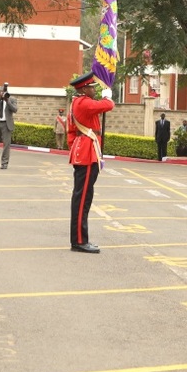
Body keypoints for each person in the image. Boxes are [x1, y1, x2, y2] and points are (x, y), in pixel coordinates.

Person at [67, 71, 114, 253]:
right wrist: (108, 97)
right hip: (86, 154)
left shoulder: (77, 102)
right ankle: (79, 240)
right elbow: (107, 106)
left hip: (85, 151)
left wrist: (75, 148)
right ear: (85, 89)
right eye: (92, 88)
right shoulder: (84, 102)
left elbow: (72, 134)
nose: (94, 91)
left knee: (83, 197)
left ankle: (80, 239)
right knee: (82, 199)